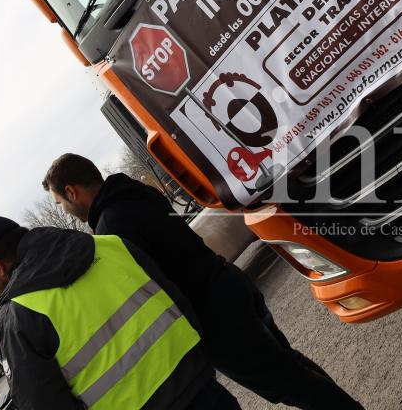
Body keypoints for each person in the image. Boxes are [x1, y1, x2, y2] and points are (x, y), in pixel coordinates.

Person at [43, 154, 363, 410]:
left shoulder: (111, 229)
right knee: (289, 366)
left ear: (72, 192)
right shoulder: (137, 193)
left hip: (214, 317)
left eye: (61, 202)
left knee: (289, 383)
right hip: (228, 282)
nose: (66, 210)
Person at [0, 215, 240, 410]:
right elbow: (176, 298)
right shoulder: (109, 245)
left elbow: (42, 403)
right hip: (202, 388)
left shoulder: (18, 318)